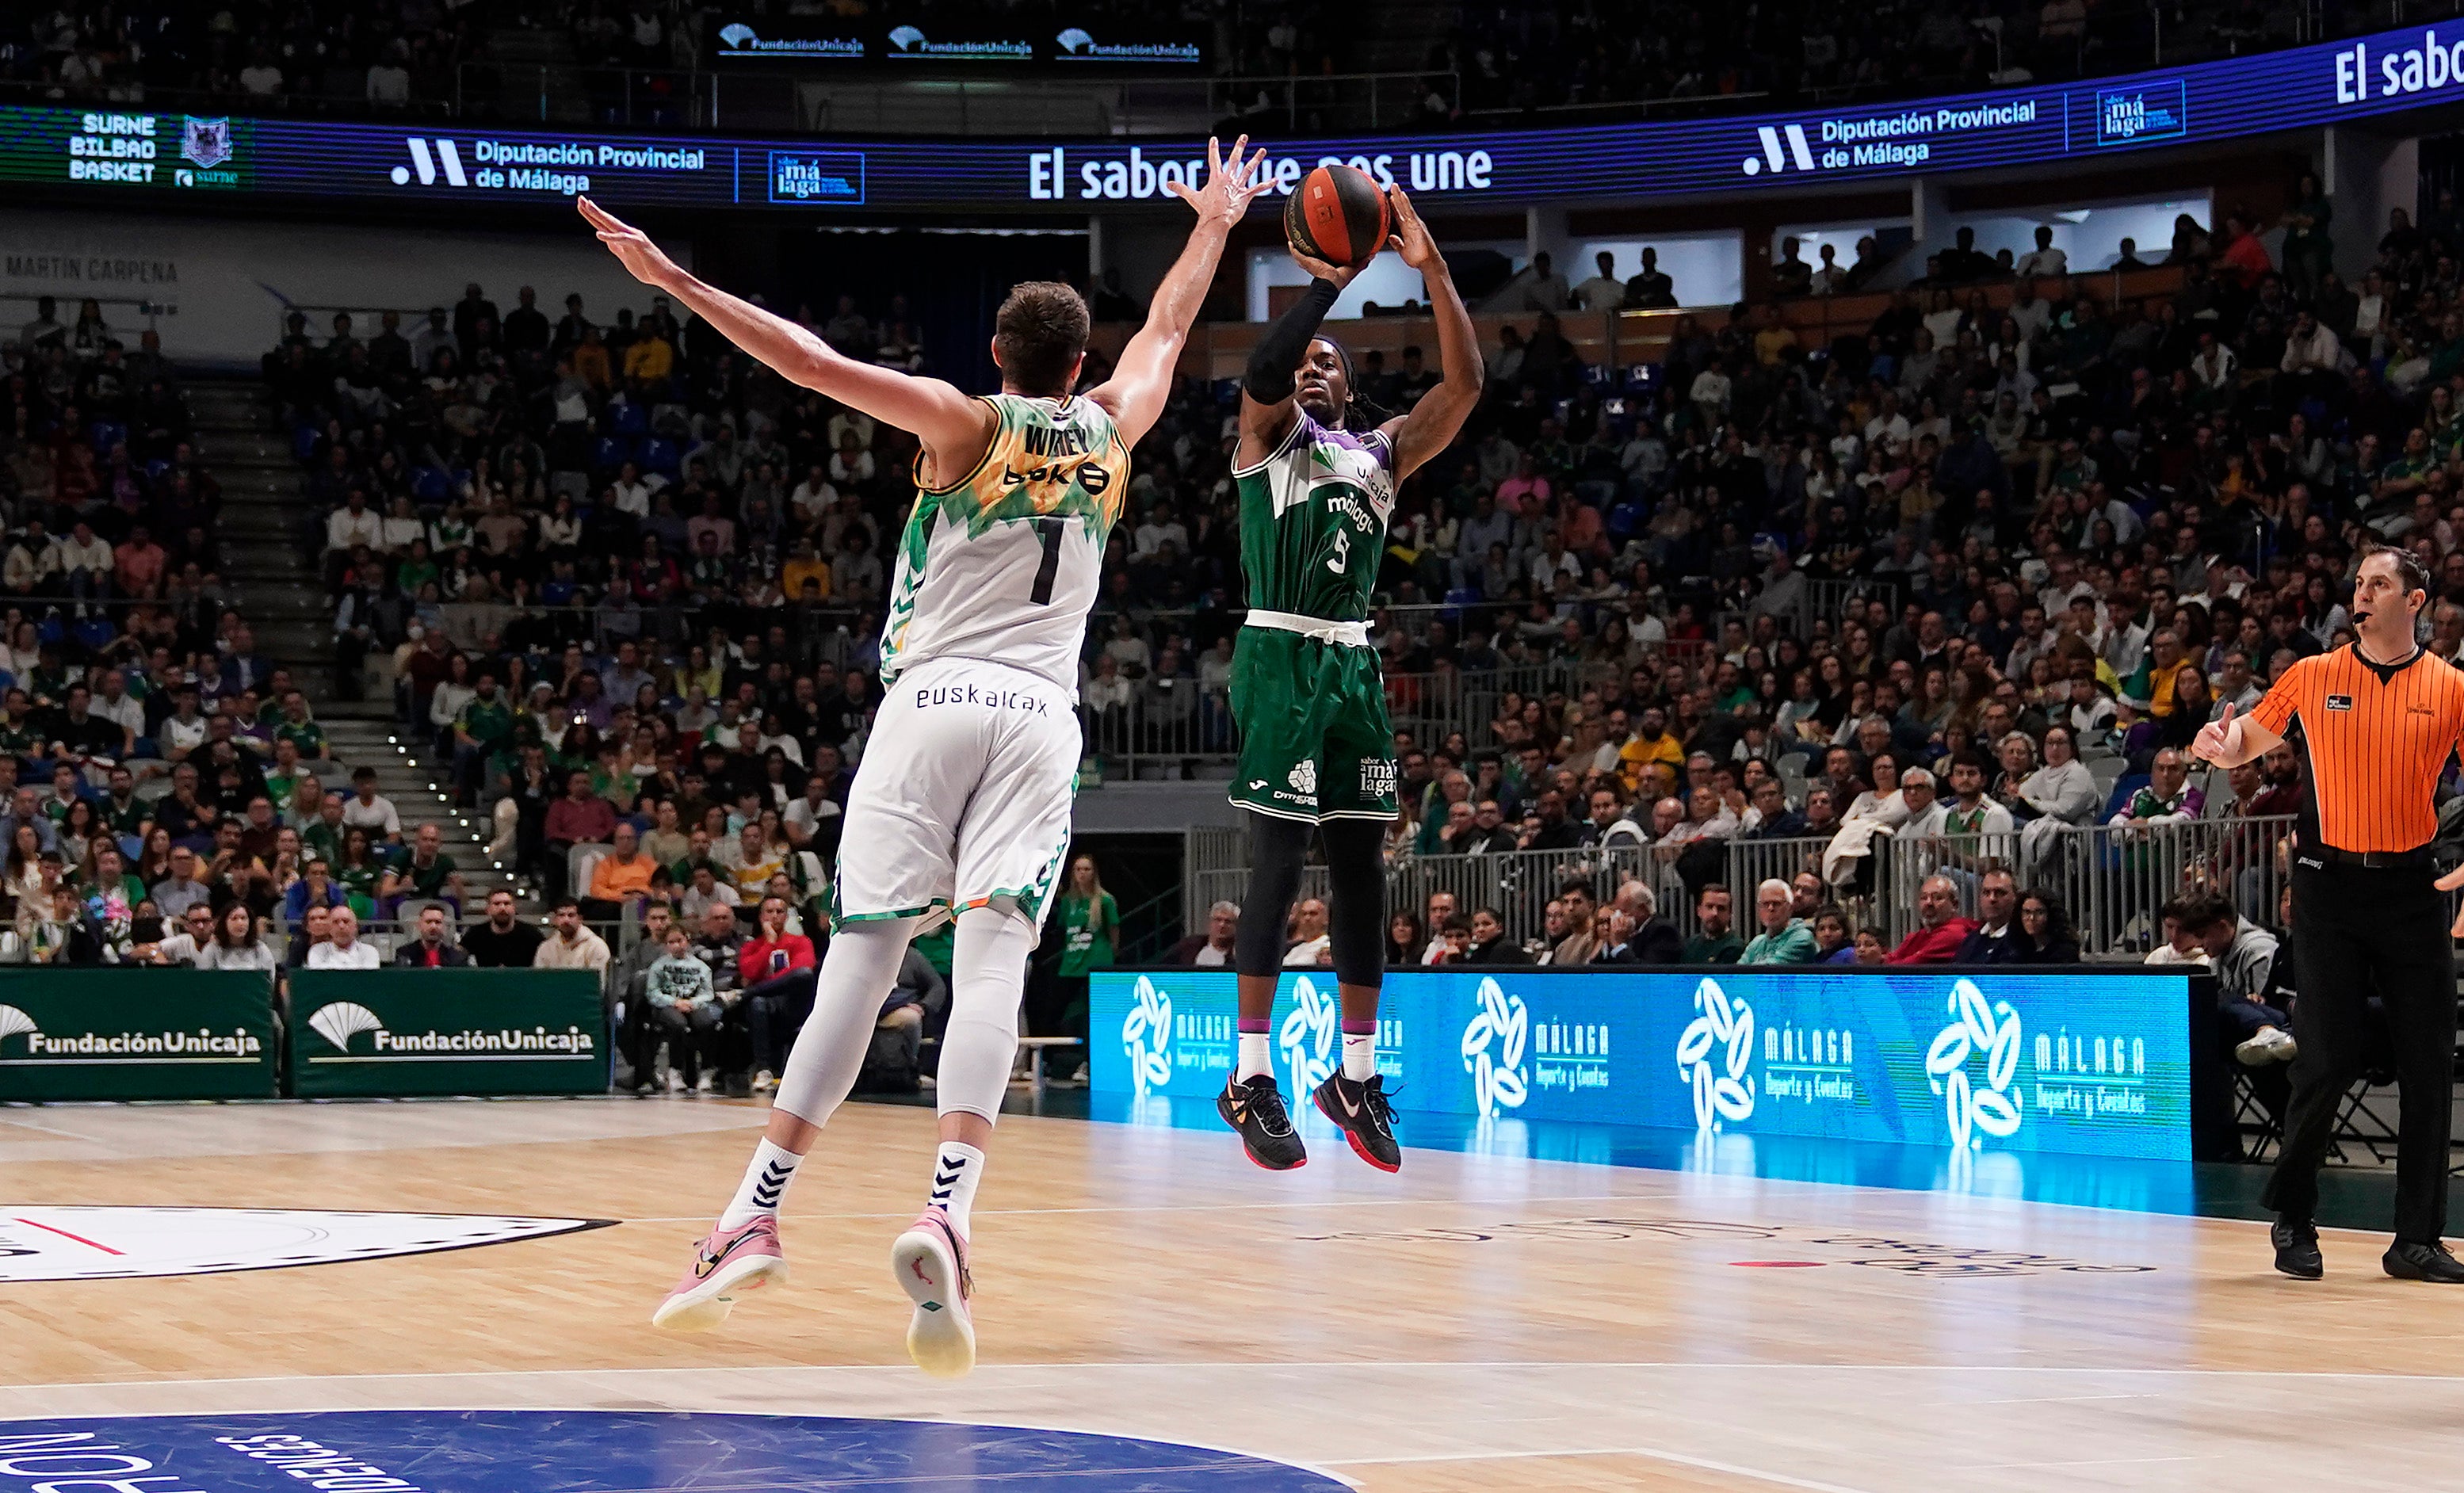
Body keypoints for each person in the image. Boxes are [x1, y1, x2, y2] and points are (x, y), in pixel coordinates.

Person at [593, 140, 1275, 1374]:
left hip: (931, 701)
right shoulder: (1117, 424)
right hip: (1041, 710)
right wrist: (1216, 222)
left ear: (1003, 361)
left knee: (861, 964)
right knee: (997, 953)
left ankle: (754, 1214)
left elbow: (807, 359)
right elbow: (1171, 323)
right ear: (1078, 364)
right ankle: (949, 1213)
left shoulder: (962, 422)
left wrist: (675, 282)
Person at [1220, 176, 1480, 1178]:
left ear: (1350, 388)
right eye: (1308, 363)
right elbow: (1262, 364)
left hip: (1351, 661)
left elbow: (1462, 392)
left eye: (1332, 364)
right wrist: (1326, 285)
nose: (1314, 369)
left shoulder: (1378, 455)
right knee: (1280, 869)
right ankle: (1248, 1078)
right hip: (1281, 654)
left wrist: (1434, 270)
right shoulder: (1266, 440)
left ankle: (1354, 1076)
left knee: (1363, 873)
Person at [2194, 542, 2464, 1282]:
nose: (2361, 593)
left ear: (2414, 601)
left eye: (2379, 583)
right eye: (2357, 582)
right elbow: (2245, 738)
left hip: (2413, 889)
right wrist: (2218, 746)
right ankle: (2294, 1218)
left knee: (2427, 1063)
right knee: (2324, 1056)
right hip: (2327, 885)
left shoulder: (2450, 687)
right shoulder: (2313, 675)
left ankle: (2415, 1238)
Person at [639, 922, 723, 1094]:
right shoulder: (659, 966)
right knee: (677, 1024)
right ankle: (675, 1070)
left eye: (679, 940)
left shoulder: (701, 966)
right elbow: (653, 992)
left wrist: (693, 1002)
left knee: (708, 1023)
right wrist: (674, 1002)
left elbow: (708, 993)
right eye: (671, 942)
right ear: (666, 945)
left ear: (687, 940)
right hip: (667, 1005)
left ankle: (707, 1070)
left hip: (693, 1004)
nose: (676, 945)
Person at [1051, 855, 1116, 1041]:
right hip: (1071, 963)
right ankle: (1052, 1057)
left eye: (1087, 869)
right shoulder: (1068, 902)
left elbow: (1113, 930)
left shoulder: (1104, 901)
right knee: (1057, 1009)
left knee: (1093, 1013)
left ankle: (1088, 1058)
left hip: (1095, 962)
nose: (1082, 873)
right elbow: (1063, 930)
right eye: (1078, 869)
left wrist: (1111, 953)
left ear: (1093, 872)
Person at [1885, 875, 1976, 964]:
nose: (1929, 903)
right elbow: (1891, 959)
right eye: (1924, 898)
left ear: (1955, 904)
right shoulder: (1919, 935)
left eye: (1938, 898)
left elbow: (1906, 968)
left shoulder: (1954, 934)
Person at [461, 887, 547, 967]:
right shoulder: (475, 935)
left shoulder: (532, 935)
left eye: (507, 903)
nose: (502, 908)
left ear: (514, 908)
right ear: (488, 909)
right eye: (496, 904)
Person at [1738, 878, 1816, 964]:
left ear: (1790, 908)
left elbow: (1772, 969)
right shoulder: (1757, 942)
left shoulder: (1803, 937)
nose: (1770, 908)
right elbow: (1738, 972)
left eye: (1776, 903)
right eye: (1765, 904)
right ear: (1758, 909)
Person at [1954, 869, 2023, 962]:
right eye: (1986, 893)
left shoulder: (2021, 940)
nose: (1992, 899)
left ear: (2016, 898)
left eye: (2000, 893)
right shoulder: (1971, 939)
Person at [536, 899, 612, 972]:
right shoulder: (546, 948)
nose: (566, 920)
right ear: (555, 920)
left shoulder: (597, 946)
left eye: (571, 915)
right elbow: (540, 981)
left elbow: (598, 982)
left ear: (580, 919)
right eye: (561, 915)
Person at [1681, 884, 1744, 964]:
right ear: (1699, 911)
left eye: (1721, 908)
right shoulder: (1690, 944)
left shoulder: (1735, 947)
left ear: (1730, 913)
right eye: (1709, 906)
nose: (1715, 913)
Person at [394, 903, 468, 967]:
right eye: (428, 922)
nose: (433, 926)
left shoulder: (457, 957)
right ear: (419, 925)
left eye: (438, 922)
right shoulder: (404, 954)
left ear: (444, 927)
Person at [308, 906, 380, 969]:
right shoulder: (317, 950)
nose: (341, 926)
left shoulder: (369, 951)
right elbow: (318, 976)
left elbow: (368, 977)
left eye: (346, 921)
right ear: (330, 928)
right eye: (336, 922)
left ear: (356, 927)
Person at [1167, 900, 1238, 965]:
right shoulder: (1189, 946)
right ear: (1210, 922)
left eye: (1228, 921)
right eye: (1218, 920)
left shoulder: (1241, 955)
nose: (1222, 925)